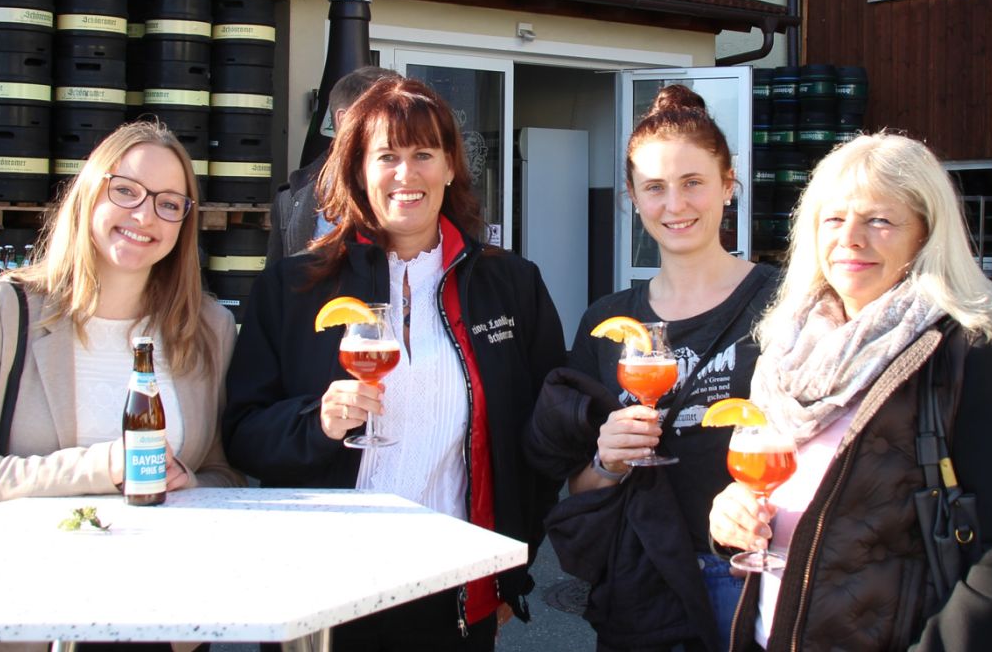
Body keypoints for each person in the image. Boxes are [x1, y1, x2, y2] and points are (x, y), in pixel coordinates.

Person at [223, 76, 566, 651]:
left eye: (424, 154)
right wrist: (319, 422)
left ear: (451, 167)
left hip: (454, 582)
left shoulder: (511, 286)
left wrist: (512, 569)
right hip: (324, 592)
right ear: (358, 169)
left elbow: (539, 442)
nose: (406, 175)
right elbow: (240, 434)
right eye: (387, 156)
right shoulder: (293, 289)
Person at [708, 133, 992, 652]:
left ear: (925, 234)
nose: (850, 238)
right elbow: (783, 497)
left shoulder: (973, 352)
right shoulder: (788, 346)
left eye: (879, 220)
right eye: (833, 219)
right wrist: (732, 514)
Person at [525, 85, 778, 652]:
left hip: (752, 578)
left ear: (728, 186)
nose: (675, 205)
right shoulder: (609, 320)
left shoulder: (782, 303)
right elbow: (578, 485)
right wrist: (607, 460)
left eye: (693, 183)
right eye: (655, 188)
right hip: (644, 582)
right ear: (633, 199)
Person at [0, 120, 244, 514]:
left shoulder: (209, 327)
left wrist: (188, 481)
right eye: (125, 191)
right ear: (89, 194)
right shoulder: (2, 310)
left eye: (169, 203)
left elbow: (224, 474)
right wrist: (100, 467)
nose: (145, 216)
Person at [268, 65, 401, 261]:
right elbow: (275, 285)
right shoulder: (290, 199)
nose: (398, 124)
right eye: (382, 115)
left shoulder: (418, 190)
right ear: (343, 119)